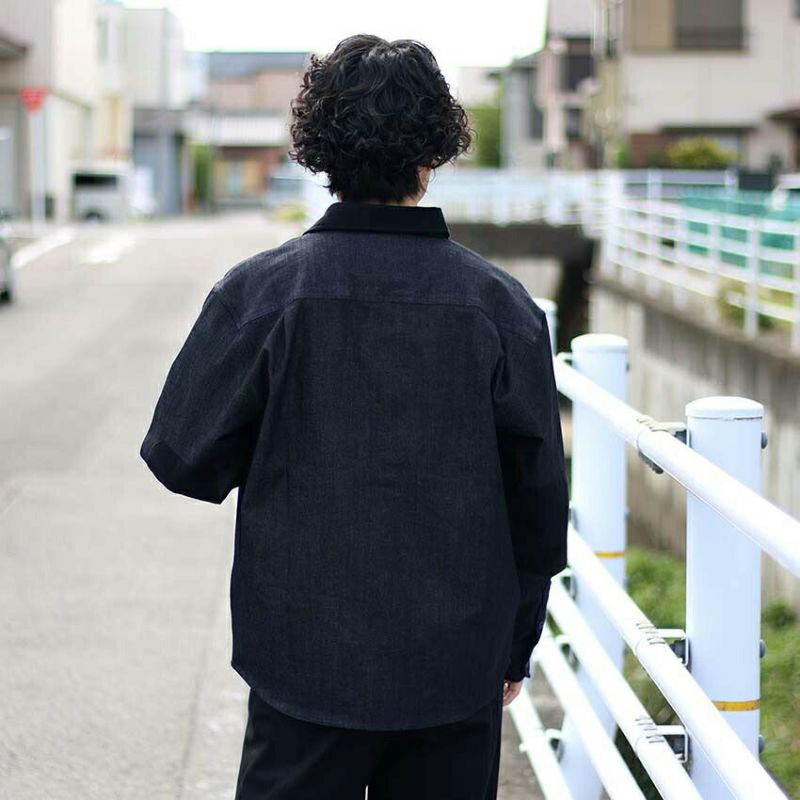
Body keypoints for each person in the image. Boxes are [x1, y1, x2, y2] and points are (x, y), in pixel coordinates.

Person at [140, 33, 568, 800]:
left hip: (302, 660)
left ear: (320, 155)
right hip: (455, 665)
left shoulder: (262, 294)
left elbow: (181, 457)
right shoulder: (502, 308)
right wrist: (514, 647)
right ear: (433, 153)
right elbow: (537, 505)